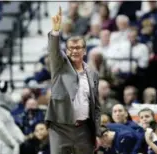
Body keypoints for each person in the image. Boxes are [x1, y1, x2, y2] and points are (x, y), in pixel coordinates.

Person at [45, 7, 101, 154]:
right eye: (71, 48)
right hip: (60, 128)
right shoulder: (60, 67)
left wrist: (97, 133)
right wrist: (55, 32)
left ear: (85, 50)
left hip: (84, 129)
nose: (74, 51)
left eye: (78, 48)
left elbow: (96, 107)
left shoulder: (93, 74)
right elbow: (54, 51)